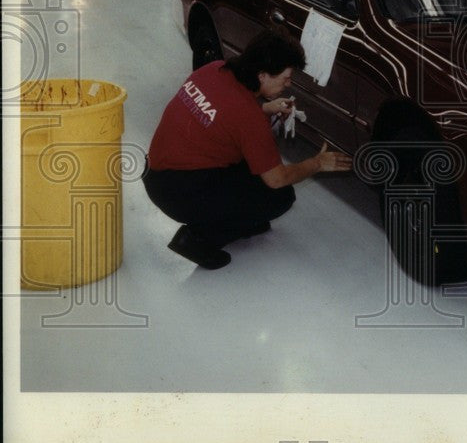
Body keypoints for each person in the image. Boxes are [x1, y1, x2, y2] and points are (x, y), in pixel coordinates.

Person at [143, 32, 352, 270]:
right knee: (280, 197)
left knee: (253, 176)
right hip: (179, 193)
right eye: (285, 78)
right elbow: (276, 179)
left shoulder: (214, 69)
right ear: (262, 75)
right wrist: (318, 163)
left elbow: (225, 115)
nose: (288, 84)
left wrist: (264, 109)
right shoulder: (247, 116)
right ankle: (197, 240)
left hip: (157, 173)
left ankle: (242, 218)